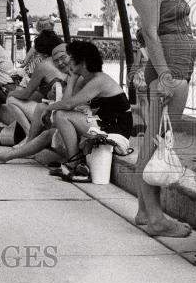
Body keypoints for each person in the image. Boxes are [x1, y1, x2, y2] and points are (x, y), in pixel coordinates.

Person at [132, 0, 196, 237]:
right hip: (167, 68)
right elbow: (150, 34)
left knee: (157, 139)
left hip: (175, 66)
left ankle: (145, 211)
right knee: (158, 143)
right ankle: (156, 218)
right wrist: (166, 75)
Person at [39, 41, 133, 182]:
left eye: (71, 57)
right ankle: (75, 161)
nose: (68, 61)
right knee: (62, 116)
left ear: (82, 61)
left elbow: (68, 104)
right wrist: (72, 79)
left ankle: (74, 162)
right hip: (105, 123)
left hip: (117, 129)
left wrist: (46, 108)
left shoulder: (99, 80)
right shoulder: (89, 79)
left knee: (62, 116)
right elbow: (68, 101)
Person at [5, 30, 65, 135]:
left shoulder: (43, 65)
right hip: (66, 113)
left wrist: (12, 93)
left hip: (54, 115)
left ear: (41, 51)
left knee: (11, 100)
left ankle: (29, 133)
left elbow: (25, 94)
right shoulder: (64, 62)